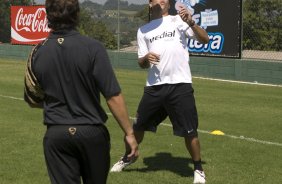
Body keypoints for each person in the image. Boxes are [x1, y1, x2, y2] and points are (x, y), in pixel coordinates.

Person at [24, 0, 138, 183]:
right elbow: (113, 96)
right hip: (91, 133)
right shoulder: (94, 48)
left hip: (57, 135)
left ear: (48, 16)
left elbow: (32, 98)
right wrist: (129, 133)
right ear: (77, 15)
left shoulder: (38, 52)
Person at [110, 0, 209, 183]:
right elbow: (141, 63)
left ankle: (198, 169)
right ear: (150, 4)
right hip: (154, 87)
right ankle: (128, 157)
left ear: (169, 3)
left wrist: (192, 23)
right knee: (137, 127)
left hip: (180, 85)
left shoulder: (179, 21)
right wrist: (146, 58)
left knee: (190, 131)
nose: (162, 1)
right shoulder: (143, 30)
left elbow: (205, 39)